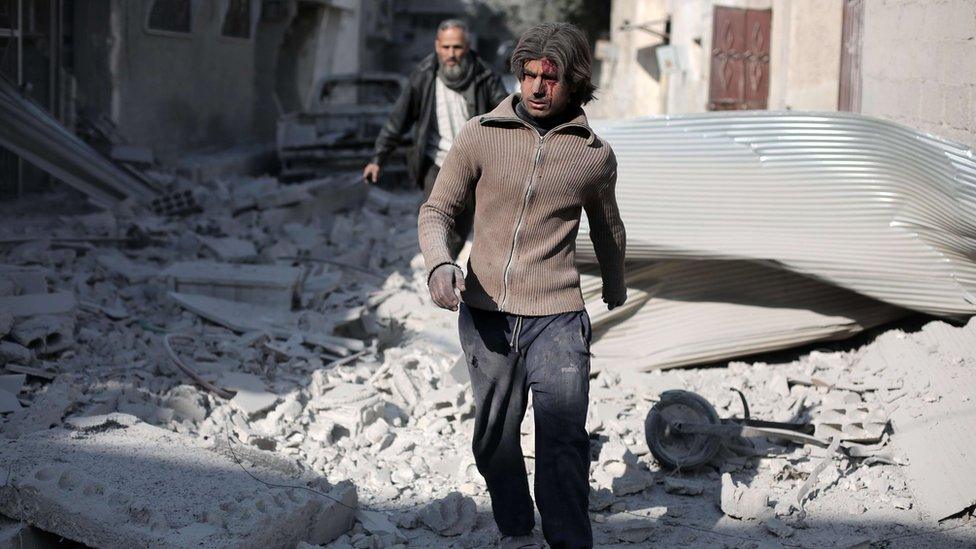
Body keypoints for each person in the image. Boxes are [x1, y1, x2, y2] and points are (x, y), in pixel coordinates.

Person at [418, 22, 626, 549]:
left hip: (556, 315)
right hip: (486, 314)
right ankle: (516, 526)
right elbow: (437, 208)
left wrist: (616, 283)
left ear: (573, 83)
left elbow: (607, 226)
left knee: (562, 441)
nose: (536, 87)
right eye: (528, 74)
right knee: (493, 441)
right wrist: (440, 263)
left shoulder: (593, 156)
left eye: (550, 78)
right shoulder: (481, 133)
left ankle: (569, 540)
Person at [363, 18, 508, 259]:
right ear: (437, 46)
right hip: (435, 161)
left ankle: (445, 267)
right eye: (446, 47)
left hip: (473, 165)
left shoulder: (485, 76)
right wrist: (378, 158)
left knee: (461, 227)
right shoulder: (424, 75)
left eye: (457, 47)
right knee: (436, 217)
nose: (451, 54)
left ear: (468, 46)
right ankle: (439, 269)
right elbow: (398, 120)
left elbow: (506, 116)